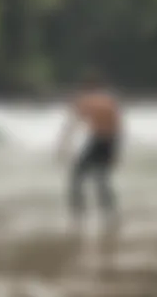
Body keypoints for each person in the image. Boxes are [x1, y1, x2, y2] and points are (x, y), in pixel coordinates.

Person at [57, 70, 121, 231]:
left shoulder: (86, 100)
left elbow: (72, 124)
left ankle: (78, 215)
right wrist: (116, 151)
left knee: (76, 176)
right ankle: (110, 214)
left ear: (86, 87)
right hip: (110, 142)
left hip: (97, 140)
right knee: (102, 178)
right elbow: (118, 127)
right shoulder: (110, 101)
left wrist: (63, 144)